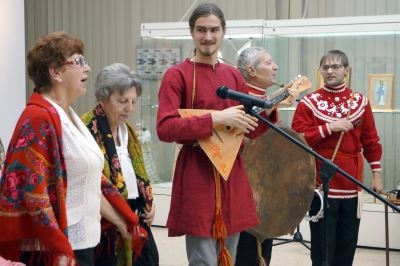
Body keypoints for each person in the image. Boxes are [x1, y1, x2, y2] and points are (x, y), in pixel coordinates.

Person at [156, 3, 277, 266]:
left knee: (229, 257)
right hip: (197, 174)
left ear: (224, 31)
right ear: (192, 32)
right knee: (203, 260)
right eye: (201, 30)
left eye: (214, 30)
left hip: (231, 174)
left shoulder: (232, 74)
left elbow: (251, 133)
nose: (207, 36)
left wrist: (268, 110)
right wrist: (216, 118)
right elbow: (165, 128)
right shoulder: (176, 75)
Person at [0, 31, 106, 266]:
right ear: (55, 72)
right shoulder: (38, 117)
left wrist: (121, 219)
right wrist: (58, 248)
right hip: (57, 248)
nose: (87, 68)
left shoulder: (68, 115)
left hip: (83, 239)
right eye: (78, 61)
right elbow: (34, 191)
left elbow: (94, 177)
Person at [291, 50, 384, 266]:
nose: (330, 71)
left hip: (351, 183)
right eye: (325, 67)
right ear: (320, 71)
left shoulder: (361, 101)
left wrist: (377, 174)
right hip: (320, 182)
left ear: (346, 70)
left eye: (336, 66)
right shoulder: (309, 102)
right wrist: (329, 127)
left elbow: (371, 141)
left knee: (347, 243)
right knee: (322, 247)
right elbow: (297, 139)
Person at [81, 63, 159, 266]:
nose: (129, 108)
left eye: (133, 101)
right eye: (122, 101)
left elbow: (138, 175)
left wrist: (150, 203)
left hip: (135, 214)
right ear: (102, 98)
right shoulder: (86, 129)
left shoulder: (129, 132)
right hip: (106, 219)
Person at [235, 47, 298, 266]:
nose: (275, 66)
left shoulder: (264, 98)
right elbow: (237, 138)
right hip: (241, 180)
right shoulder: (237, 95)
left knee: (265, 239)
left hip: (264, 182)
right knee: (244, 247)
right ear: (251, 70)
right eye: (269, 62)